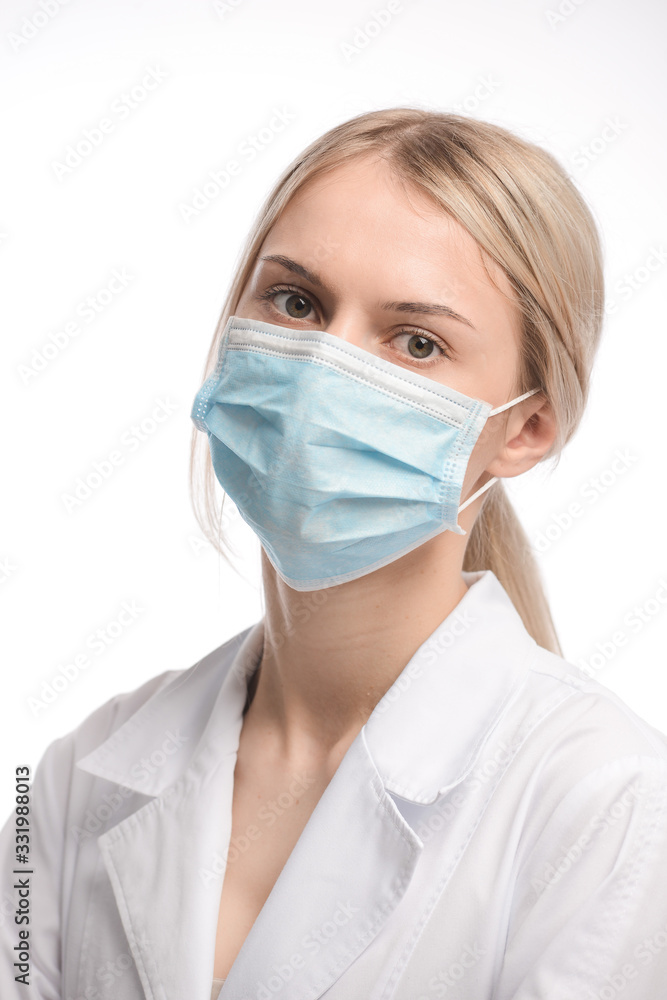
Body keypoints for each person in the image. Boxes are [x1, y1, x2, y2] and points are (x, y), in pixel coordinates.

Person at [2, 108, 667, 1000]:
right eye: (296, 302)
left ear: (526, 429)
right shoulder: (76, 775)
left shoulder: (608, 801)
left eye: (416, 342)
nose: (322, 370)